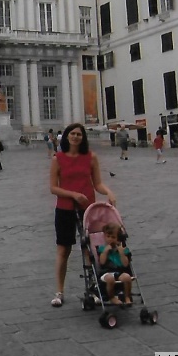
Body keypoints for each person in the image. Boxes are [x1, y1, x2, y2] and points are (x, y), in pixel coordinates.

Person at [49, 123, 117, 308]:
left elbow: (98, 184)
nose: (76, 137)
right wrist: (73, 195)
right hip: (64, 208)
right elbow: (53, 187)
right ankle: (59, 291)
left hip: (88, 208)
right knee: (64, 250)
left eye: (79, 134)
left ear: (83, 137)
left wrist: (109, 192)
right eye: (73, 133)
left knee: (91, 250)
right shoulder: (58, 159)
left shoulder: (91, 157)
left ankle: (95, 288)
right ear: (67, 136)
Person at [97, 221, 132, 306]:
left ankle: (127, 296)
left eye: (113, 237)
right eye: (108, 236)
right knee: (110, 278)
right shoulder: (102, 249)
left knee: (127, 277)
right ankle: (112, 297)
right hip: (106, 272)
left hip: (120, 271)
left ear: (118, 239)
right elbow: (102, 262)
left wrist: (121, 253)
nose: (110, 239)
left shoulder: (123, 250)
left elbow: (125, 264)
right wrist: (105, 252)